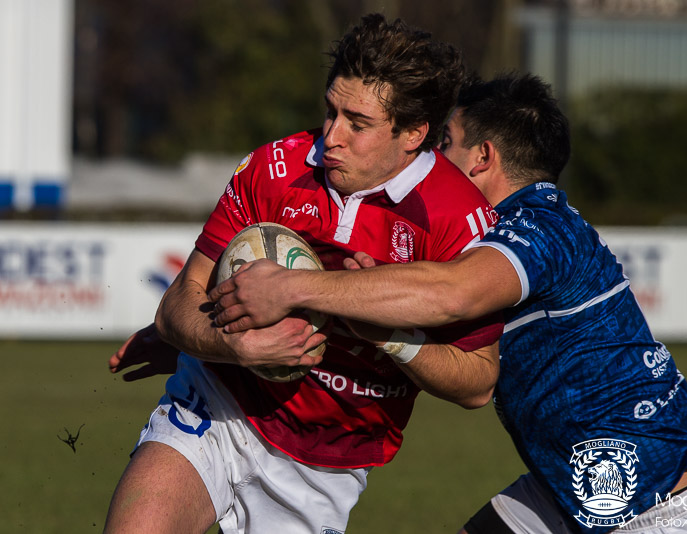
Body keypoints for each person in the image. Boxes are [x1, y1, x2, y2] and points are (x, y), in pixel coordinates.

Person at [209, 74, 687, 533]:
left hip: (678, 510)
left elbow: (452, 294)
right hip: (578, 492)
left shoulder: (539, 225)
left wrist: (295, 289)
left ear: (482, 158)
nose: (430, 157)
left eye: (444, 141)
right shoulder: (485, 233)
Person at [104, 14, 504, 534]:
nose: (331, 135)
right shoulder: (274, 169)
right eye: (330, 111)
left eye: (357, 123)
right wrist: (233, 348)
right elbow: (177, 306)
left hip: (325, 463)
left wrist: (385, 332)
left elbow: (476, 381)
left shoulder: (457, 219)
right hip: (221, 406)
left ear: (413, 134)